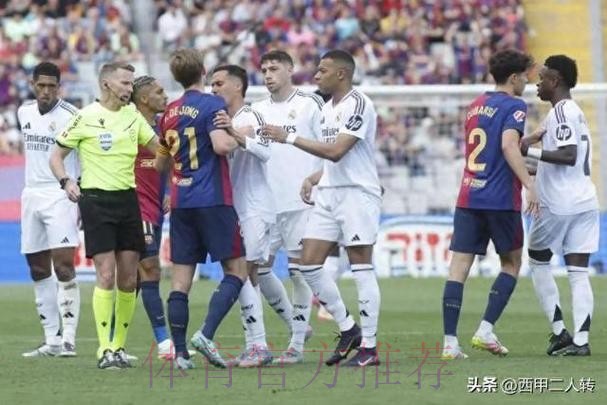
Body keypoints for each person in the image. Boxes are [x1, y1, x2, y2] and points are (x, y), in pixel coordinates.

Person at [264, 49, 381, 367]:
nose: (316, 75)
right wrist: (315, 177)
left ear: (341, 73)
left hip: (356, 193)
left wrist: (289, 137)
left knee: (360, 266)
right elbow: (333, 159)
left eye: (322, 71)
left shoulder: (359, 104)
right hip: (328, 192)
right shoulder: (328, 108)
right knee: (309, 264)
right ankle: (349, 328)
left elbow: (338, 151)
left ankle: (369, 347)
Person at [50, 61, 160, 369]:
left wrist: (174, 154)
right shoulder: (85, 117)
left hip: (128, 200)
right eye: (125, 82)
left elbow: (158, 148)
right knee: (106, 274)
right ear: (106, 84)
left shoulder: (133, 116)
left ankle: (119, 347)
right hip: (96, 201)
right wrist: (66, 181)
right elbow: (56, 156)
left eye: (131, 83)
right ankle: (104, 349)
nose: (129, 88)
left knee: (128, 278)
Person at [440, 49, 538, 360]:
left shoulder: (475, 105)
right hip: (500, 198)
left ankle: (449, 343)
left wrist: (527, 144)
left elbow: (492, 147)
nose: (527, 83)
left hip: (469, 195)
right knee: (511, 263)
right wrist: (529, 184)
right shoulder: (515, 105)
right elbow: (507, 145)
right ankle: (485, 330)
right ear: (514, 77)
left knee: (458, 268)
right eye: (525, 77)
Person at [155, 49, 247, 369]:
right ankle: (206, 334)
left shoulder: (168, 112)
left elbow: (161, 162)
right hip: (213, 199)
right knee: (237, 270)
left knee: (180, 281)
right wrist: (242, 135)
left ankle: (180, 354)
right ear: (204, 72)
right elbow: (221, 145)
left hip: (182, 203)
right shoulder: (212, 104)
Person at [522, 55, 598, 356]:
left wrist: (530, 152)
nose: (537, 84)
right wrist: (528, 161)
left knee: (537, 259)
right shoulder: (572, 112)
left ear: (555, 80)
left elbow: (567, 155)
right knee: (578, 272)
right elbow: (561, 158)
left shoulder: (562, 111)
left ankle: (559, 331)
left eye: (542, 78)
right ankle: (581, 342)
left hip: (559, 203)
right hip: (585, 201)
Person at [252, 50, 324, 364]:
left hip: (299, 202)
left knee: (298, 272)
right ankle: (298, 327)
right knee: (257, 269)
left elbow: (328, 146)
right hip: (265, 204)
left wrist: (317, 179)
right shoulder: (256, 110)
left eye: (274, 68)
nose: (268, 75)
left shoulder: (310, 104)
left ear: (290, 69)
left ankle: (295, 346)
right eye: (264, 70)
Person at [210, 64, 274, 367]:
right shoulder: (220, 121)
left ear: (238, 86)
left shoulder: (251, 116)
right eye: (211, 84)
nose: (214, 89)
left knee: (243, 271)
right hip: (233, 206)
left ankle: (259, 346)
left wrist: (235, 134)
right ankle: (255, 344)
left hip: (255, 206)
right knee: (246, 274)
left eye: (219, 83)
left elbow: (265, 152)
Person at [19, 62, 81, 358]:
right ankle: (51, 341)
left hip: (60, 195)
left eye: (51, 86)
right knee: (38, 268)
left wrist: (79, 189)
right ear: (33, 85)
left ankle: (68, 339)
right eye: (41, 85)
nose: (45, 91)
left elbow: (83, 156)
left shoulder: (73, 116)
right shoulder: (24, 112)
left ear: (59, 87)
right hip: (31, 194)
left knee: (64, 266)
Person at [130, 75, 174, 359]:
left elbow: (168, 163)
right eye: (159, 92)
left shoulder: (163, 125)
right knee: (150, 269)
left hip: (156, 208)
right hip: (137, 207)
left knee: (133, 278)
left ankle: (112, 341)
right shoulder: (129, 124)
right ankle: (164, 343)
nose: (165, 96)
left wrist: (169, 190)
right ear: (144, 99)